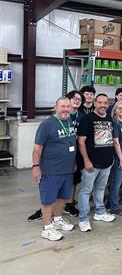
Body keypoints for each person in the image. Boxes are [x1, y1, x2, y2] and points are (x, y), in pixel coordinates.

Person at [32, 97, 76, 241]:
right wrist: (36, 166)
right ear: (56, 107)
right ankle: (47, 228)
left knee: (63, 197)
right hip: (51, 170)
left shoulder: (69, 121)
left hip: (67, 169)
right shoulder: (47, 124)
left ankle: (57, 220)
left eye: (68, 106)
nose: (65, 109)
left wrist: (73, 161)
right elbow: (37, 148)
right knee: (48, 200)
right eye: (62, 106)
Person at [77, 94, 116, 232]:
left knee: (100, 189)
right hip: (91, 164)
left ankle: (100, 212)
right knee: (86, 191)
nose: (103, 105)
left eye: (105, 103)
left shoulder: (109, 118)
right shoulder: (86, 119)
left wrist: (111, 159)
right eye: (100, 102)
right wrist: (86, 160)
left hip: (106, 162)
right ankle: (83, 219)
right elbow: (81, 141)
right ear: (95, 103)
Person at [108, 101, 122, 215]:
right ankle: (114, 207)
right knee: (116, 182)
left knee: (117, 182)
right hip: (118, 157)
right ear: (114, 110)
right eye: (119, 108)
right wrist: (121, 159)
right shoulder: (115, 123)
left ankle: (111, 203)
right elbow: (116, 142)